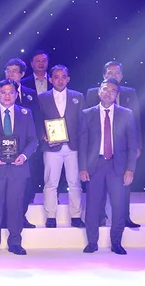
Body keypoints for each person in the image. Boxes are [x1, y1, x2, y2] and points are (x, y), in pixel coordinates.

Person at [0, 80, 38, 256]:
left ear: (16, 94)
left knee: (15, 206)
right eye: (3, 92)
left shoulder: (26, 113)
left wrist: (24, 156)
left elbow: (33, 140)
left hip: (18, 168)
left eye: (11, 92)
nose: (7, 95)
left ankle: (15, 242)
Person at [80, 79, 138, 255]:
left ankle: (116, 243)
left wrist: (130, 169)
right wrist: (83, 168)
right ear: (99, 91)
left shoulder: (126, 114)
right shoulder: (87, 114)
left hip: (117, 166)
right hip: (94, 166)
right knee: (92, 205)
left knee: (118, 206)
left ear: (117, 94)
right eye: (105, 89)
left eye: (113, 91)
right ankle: (92, 242)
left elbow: (132, 145)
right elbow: (83, 143)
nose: (108, 93)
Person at [85, 61, 142, 228]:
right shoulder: (93, 93)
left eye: (117, 73)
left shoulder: (130, 93)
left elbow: (136, 120)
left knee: (125, 183)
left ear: (121, 76)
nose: (113, 76)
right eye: (109, 73)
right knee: (99, 185)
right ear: (104, 76)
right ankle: (100, 216)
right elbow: (87, 121)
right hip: (100, 147)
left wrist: (138, 145)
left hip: (123, 146)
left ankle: (125, 217)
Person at [39, 65, 84, 228]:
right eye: (56, 77)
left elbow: (83, 122)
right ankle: (51, 216)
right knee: (51, 182)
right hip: (52, 147)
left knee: (75, 182)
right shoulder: (42, 98)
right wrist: (43, 136)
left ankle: (76, 215)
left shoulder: (78, 96)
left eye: (63, 76)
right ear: (50, 80)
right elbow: (37, 120)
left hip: (73, 146)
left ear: (68, 79)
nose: (60, 80)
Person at [2, 58, 45, 229]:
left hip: (26, 149)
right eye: (8, 70)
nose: (11, 74)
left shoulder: (30, 93)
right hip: (3, 148)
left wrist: (37, 142)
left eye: (14, 71)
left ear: (22, 74)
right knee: (4, 185)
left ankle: (20, 216)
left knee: (26, 185)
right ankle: (4, 218)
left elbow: (37, 119)